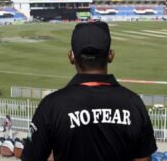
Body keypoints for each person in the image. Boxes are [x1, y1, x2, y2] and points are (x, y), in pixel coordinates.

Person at [22, 21, 157, 161]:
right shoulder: (134, 103)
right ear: (111, 55)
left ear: (71, 56)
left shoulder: (51, 105)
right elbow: (143, 159)